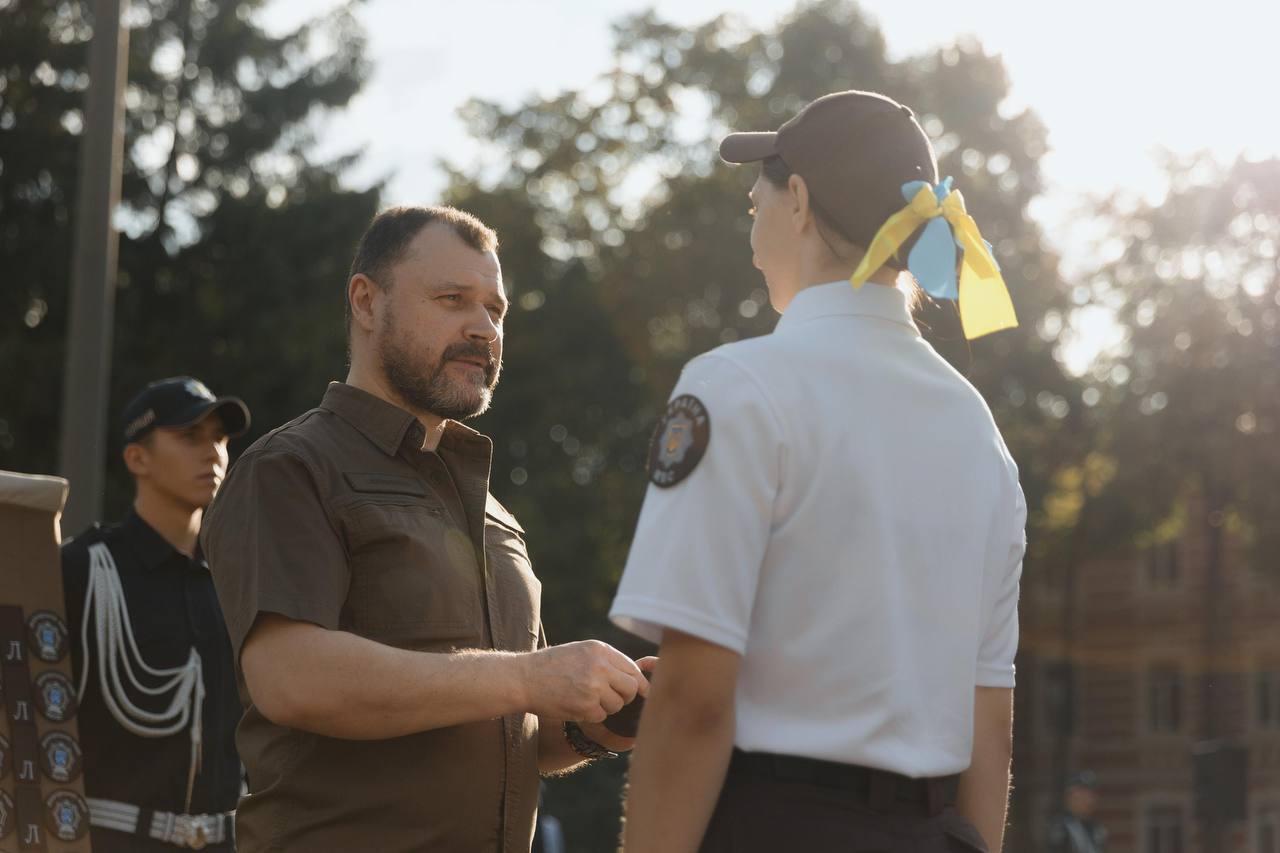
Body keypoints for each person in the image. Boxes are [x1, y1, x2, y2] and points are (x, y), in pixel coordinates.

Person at [610, 89, 1025, 853]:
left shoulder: (737, 385)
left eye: (758, 195)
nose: (751, 214)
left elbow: (695, 704)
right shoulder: (979, 430)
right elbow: (989, 725)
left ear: (797, 200)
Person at [200, 205, 651, 853]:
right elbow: (290, 678)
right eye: (452, 299)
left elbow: (515, 732)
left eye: (496, 311)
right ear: (365, 301)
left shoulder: (496, 515)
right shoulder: (290, 467)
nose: (483, 328)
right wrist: (527, 675)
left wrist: (607, 722)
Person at [62, 376, 251, 851]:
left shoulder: (242, 581)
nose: (212, 452)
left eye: (220, 437)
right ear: (137, 458)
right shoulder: (81, 569)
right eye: (189, 437)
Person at [1048, 771, 1107, 853]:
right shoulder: (1061, 828)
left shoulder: (1097, 829)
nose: (1088, 800)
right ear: (1069, 797)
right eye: (1082, 794)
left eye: (1091, 794)